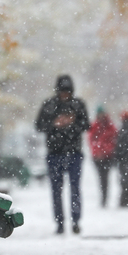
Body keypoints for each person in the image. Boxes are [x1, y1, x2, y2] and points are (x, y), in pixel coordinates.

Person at [35, 75, 90, 234]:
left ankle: (76, 221)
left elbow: (86, 124)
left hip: (74, 154)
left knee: (75, 188)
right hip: (54, 154)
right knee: (56, 190)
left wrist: (71, 125)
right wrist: (55, 124)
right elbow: (39, 125)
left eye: (67, 92)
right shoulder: (49, 105)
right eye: (62, 92)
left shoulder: (78, 105)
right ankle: (60, 222)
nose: (65, 95)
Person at [87, 106, 118, 207]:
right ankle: (103, 196)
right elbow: (91, 140)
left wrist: (104, 151)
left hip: (107, 157)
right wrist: (97, 151)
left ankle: (105, 197)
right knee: (102, 178)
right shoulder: (95, 126)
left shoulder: (110, 126)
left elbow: (113, 140)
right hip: (97, 157)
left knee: (105, 177)